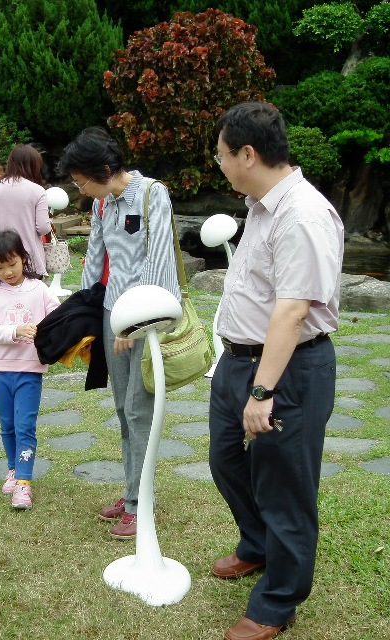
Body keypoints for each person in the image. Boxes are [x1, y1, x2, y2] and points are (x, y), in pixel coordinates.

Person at [208, 101, 344, 640]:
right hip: (237, 360)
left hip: (287, 370)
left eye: (221, 155)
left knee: (284, 485)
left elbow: (292, 310)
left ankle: (277, 600)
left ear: (247, 153)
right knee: (227, 460)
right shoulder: (262, 207)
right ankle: (257, 544)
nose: (219, 164)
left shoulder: (302, 214)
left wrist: (262, 390)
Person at [57, 127, 180, 539]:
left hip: (146, 316)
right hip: (113, 314)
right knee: (124, 410)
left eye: (82, 181)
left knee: (139, 409)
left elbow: (158, 262)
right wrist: (85, 313)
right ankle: (132, 491)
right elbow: (95, 259)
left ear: (105, 169)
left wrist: (135, 320)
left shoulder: (152, 195)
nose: (80, 190)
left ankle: (139, 504)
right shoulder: (101, 204)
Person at [0, 229, 60, 509]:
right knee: (7, 425)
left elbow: (57, 317)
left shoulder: (39, 290)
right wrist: (16, 330)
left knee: (25, 425)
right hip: (0, 369)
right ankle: (13, 470)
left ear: (24, 258)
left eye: (12, 264)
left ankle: (24, 482)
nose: (7, 272)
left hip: (30, 370)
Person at [0, 144, 51, 277]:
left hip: (0, 255)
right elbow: (43, 227)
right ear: (34, 166)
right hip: (29, 257)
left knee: (4, 289)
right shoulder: (37, 191)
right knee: (32, 289)